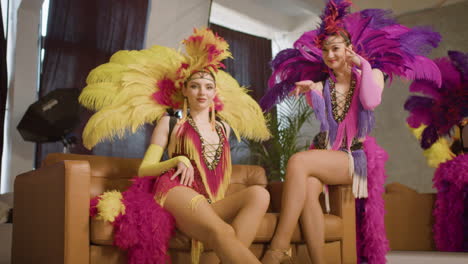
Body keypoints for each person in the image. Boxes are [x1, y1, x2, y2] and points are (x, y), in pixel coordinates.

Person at [259, 1, 442, 263]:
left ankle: (278, 247)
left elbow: (369, 101)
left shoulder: (372, 74)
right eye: (325, 51)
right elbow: (324, 114)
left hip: (354, 158)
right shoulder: (324, 85)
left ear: (349, 49)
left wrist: (363, 65)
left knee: (298, 161)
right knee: (309, 190)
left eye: (335, 49)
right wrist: (311, 87)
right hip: (327, 154)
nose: (330, 55)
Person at [81, 28, 271, 264]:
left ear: (215, 93)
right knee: (223, 232)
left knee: (259, 194)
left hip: (210, 200)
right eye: (195, 86)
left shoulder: (225, 128)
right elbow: (144, 170)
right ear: (184, 90)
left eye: (208, 86)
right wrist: (176, 160)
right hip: (176, 190)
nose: (202, 91)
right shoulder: (170, 122)